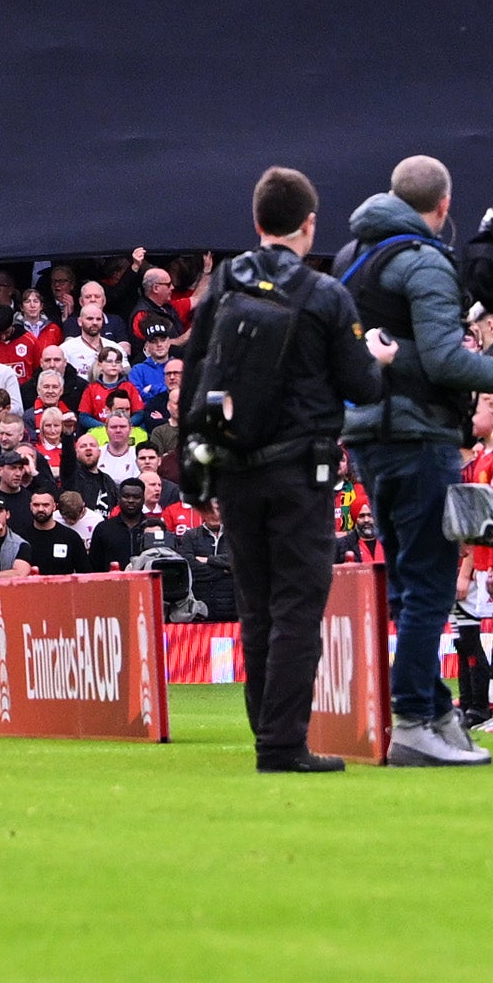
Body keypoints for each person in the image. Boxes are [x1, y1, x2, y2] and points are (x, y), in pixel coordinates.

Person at [190, 162, 390, 773]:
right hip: (303, 471)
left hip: (235, 469)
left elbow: (194, 378)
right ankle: (282, 744)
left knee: (256, 608)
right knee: (299, 609)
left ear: (256, 223)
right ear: (309, 225)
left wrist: (196, 468)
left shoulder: (222, 285)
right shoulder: (326, 294)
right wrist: (374, 355)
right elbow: (362, 386)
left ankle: (267, 732)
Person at [335, 152, 493, 766]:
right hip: (417, 437)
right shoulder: (423, 261)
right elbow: (444, 361)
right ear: (443, 207)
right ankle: (414, 720)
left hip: (365, 436)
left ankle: (435, 710)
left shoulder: (348, 258)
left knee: (413, 581)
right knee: (430, 585)